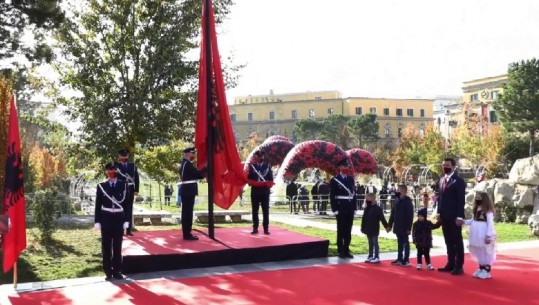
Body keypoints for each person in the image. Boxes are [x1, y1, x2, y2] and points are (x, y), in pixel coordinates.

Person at [94, 162, 129, 280]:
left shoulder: (124, 185)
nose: (112, 172)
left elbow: (127, 204)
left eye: (114, 170)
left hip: (119, 218)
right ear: (106, 172)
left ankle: (117, 271)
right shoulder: (101, 186)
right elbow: (98, 204)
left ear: (117, 171)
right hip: (106, 218)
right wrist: (97, 221)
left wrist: (127, 220)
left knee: (117, 246)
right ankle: (108, 272)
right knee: (106, 246)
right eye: (110, 170)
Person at [457, 192, 497, 279]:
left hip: (483, 233)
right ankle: (481, 268)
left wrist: (489, 235)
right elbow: (472, 220)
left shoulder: (488, 211)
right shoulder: (476, 209)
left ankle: (486, 270)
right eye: (476, 197)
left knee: (485, 251)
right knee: (479, 251)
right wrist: (463, 222)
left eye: (479, 197)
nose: (477, 199)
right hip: (475, 233)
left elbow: (490, 224)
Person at [437, 157, 466, 275]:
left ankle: (459, 266)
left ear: (453, 167)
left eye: (448, 165)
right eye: (444, 165)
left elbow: (461, 200)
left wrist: (460, 216)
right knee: (448, 241)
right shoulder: (441, 180)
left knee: (457, 241)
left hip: (454, 216)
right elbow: (440, 198)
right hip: (444, 216)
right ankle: (450, 264)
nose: (445, 167)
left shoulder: (458, 181)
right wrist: (438, 213)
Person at [330, 159, 356, 259]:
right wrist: (335, 209)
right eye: (344, 166)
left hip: (349, 208)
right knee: (341, 229)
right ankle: (340, 250)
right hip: (340, 208)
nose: (346, 168)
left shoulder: (351, 179)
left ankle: (346, 249)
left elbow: (354, 194)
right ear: (340, 167)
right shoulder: (335, 180)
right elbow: (332, 196)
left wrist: (354, 208)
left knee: (348, 230)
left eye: (347, 167)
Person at [179, 147, 206, 240]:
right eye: (192, 153)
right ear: (188, 154)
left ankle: (187, 232)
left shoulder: (185, 163)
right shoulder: (187, 164)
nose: (193, 155)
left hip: (187, 191)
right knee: (187, 213)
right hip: (188, 191)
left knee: (186, 213)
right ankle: (187, 234)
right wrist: (206, 167)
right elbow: (198, 175)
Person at [247, 150, 274, 234]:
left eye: (259, 157)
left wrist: (268, 184)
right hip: (255, 192)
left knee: (265, 210)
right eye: (257, 157)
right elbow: (249, 178)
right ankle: (255, 227)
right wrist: (250, 182)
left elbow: (270, 178)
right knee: (255, 210)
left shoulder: (267, 166)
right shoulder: (252, 167)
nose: (258, 158)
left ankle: (266, 228)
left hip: (265, 192)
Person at [387, 184, 414, 266]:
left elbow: (410, 215)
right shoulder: (396, 200)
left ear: (403, 191)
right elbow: (393, 213)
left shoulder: (408, 202)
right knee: (399, 243)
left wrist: (409, 228)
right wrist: (390, 225)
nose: (396, 191)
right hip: (397, 225)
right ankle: (399, 258)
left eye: (398, 190)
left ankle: (406, 260)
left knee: (405, 243)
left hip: (405, 226)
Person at [114, 148, 140, 236]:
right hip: (120, 190)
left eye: (125, 156)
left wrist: (136, 190)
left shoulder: (132, 165)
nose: (124, 157)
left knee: (129, 209)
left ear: (128, 156)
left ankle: (128, 230)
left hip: (130, 189)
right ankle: (120, 229)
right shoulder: (116, 166)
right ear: (119, 156)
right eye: (122, 156)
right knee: (120, 209)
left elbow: (136, 178)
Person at [361, 193, 388, 264]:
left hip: (374, 228)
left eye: (367, 199)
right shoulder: (367, 208)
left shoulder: (378, 209)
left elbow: (382, 219)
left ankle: (376, 256)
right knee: (370, 242)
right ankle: (370, 255)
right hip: (368, 228)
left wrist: (386, 226)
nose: (366, 200)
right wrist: (363, 228)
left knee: (375, 242)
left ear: (373, 199)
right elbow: (364, 219)